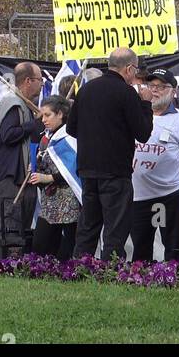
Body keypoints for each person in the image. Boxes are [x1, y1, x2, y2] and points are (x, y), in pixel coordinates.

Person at [68, 48, 153, 260]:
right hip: (115, 171)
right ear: (129, 68)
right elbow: (143, 133)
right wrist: (146, 103)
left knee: (88, 224)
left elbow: (70, 128)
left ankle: (80, 266)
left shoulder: (86, 90)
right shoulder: (126, 93)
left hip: (87, 169)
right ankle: (110, 269)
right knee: (115, 226)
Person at [129, 68, 179, 262]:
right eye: (151, 85)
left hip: (166, 196)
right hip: (137, 196)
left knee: (172, 246)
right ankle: (141, 280)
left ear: (173, 91)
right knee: (140, 247)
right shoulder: (136, 113)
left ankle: (175, 280)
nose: (154, 90)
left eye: (161, 86)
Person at [0, 62, 45, 240]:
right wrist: (33, 124)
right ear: (28, 81)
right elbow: (8, 135)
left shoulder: (25, 104)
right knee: (12, 229)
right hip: (11, 176)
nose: (42, 84)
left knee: (24, 230)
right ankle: (8, 265)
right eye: (39, 80)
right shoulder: (13, 104)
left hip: (24, 175)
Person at [28, 96, 80, 259]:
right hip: (50, 200)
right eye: (42, 115)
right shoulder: (47, 136)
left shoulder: (71, 137)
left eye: (47, 115)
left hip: (69, 201)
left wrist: (48, 178)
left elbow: (74, 170)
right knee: (42, 245)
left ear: (60, 114)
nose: (43, 120)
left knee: (68, 245)